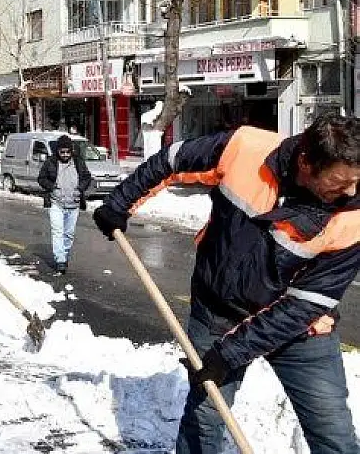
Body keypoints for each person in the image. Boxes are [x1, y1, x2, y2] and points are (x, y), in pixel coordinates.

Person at [93, 114, 360, 454]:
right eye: (340, 183)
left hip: (301, 329)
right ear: (306, 162)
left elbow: (306, 303)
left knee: (333, 434)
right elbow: (172, 160)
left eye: (356, 182)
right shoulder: (246, 148)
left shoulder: (353, 214)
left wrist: (230, 353)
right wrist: (119, 203)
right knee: (204, 421)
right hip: (217, 312)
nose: (350, 192)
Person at [37, 135, 92, 275]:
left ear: (71, 150)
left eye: (68, 152)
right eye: (62, 152)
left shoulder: (78, 162)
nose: (65, 155)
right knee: (57, 232)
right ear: (58, 151)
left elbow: (87, 177)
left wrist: (80, 188)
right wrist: (52, 186)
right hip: (56, 203)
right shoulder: (50, 162)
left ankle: (64, 254)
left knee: (69, 234)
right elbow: (41, 178)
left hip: (73, 204)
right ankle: (60, 260)